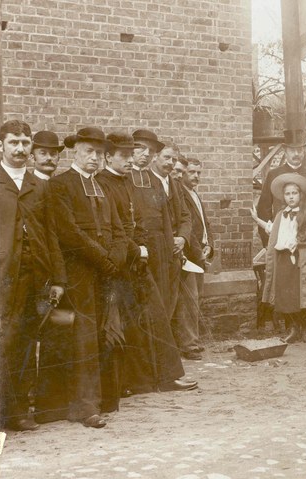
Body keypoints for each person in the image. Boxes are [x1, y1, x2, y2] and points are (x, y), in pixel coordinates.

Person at [38, 127, 128, 428]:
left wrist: (115, 257)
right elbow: (69, 233)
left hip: (104, 271)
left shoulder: (101, 185)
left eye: (99, 153)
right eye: (89, 152)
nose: (94, 158)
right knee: (83, 339)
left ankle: (104, 399)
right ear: (75, 151)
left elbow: (117, 228)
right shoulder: (61, 185)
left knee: (104, 332)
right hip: (79, 272)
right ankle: (83, 407)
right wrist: (103, 259)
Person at [96, 133, 194, 396]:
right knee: (129, 321)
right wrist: (134, 250)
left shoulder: (150, 181)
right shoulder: (106, 182)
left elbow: (158, 219)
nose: (139, 156)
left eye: (142, 151)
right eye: (132, 152)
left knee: (155, 315)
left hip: (147, 256)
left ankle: (165, 376)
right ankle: (133, 381)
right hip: (123, 259)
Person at [0, 120, 65, 431]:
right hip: (2, 279)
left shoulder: (38, 185)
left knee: (25, 344)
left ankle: (17, 412)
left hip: (34, 278)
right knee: (3, 342)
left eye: (25, 142)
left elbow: (51, 234)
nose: (20, 148)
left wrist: (59, 279)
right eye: (14, 142)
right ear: (1, 146)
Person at [257, 173, 306, 343]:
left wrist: (303, 242)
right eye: (287, 194)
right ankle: (292, 328)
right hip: (283, 258)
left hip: (301, 258)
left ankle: (304, 328)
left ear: (300, 195)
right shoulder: (281, 215)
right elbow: (274, 232)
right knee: (286, 294)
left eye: (294, 193)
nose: (291, 197)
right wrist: (257, 220)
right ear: (283, 196)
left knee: (302, 293)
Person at [174, 158, 214, 360]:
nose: (196, 176)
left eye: (199, 172)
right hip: (189, 256)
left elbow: (204, 224)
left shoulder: (195, 194)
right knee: (189, 301)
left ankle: (193, 341)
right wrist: (199, 253)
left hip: (200, 254)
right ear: (183, 174)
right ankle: (188, 344)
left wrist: (210, 246)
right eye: (192, 172)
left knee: (195, 300)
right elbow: (187, 230)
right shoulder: (180, 194)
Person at [149, 140, 192, 319]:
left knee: (171, 300)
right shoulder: (145, 181)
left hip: (174, 252)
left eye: (173, 160)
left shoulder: (175, 184)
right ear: (155, 157)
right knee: (155, 301)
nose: (170, 163)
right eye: (166, 158)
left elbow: (185, 216)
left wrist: (182, 238)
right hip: (155, 253)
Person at [256, 129, 306, 247]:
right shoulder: (274, 175)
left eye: (299, 150)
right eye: (292, 150)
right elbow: (264, 209)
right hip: (281, 237)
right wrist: (268, 240)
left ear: (304, 151)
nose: (296, 154)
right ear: (285, 151)